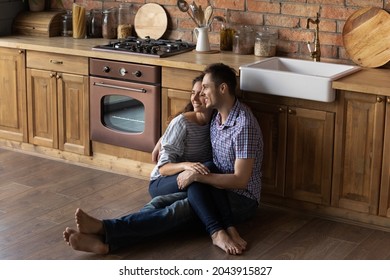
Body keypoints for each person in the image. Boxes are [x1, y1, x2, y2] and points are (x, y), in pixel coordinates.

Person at [62, 63, 263, 255]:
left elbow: (240, 180)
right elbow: (186, 119)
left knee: (176, 210)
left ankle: (105, 230)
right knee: (161, 203)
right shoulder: (217, 116)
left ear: (222, 89)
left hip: (240, 199)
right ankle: (104, 241)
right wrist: (164, 139)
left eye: (205, 89)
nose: (200, 94)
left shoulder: (242, 125)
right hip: (212, 188)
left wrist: (196, 177)